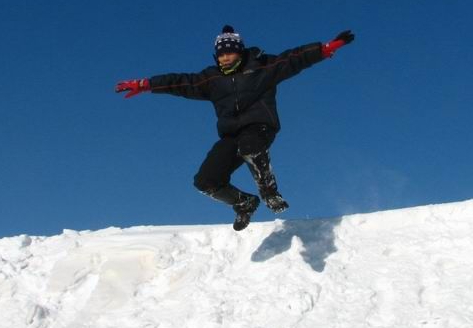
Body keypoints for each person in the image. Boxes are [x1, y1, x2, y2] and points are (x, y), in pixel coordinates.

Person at [115, 25, 354, 230]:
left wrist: (324, 49)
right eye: (221, 54)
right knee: (205, 181)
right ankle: (243, 203)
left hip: (260, 127)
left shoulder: (263, 67)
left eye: (230, 52)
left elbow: (293, 59)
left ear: (239, 51)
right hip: (231, 135)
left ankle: (269, 192)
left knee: (250, 147)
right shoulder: (211, 79)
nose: (225, 58)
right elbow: (180, 82)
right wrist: (145, 84)